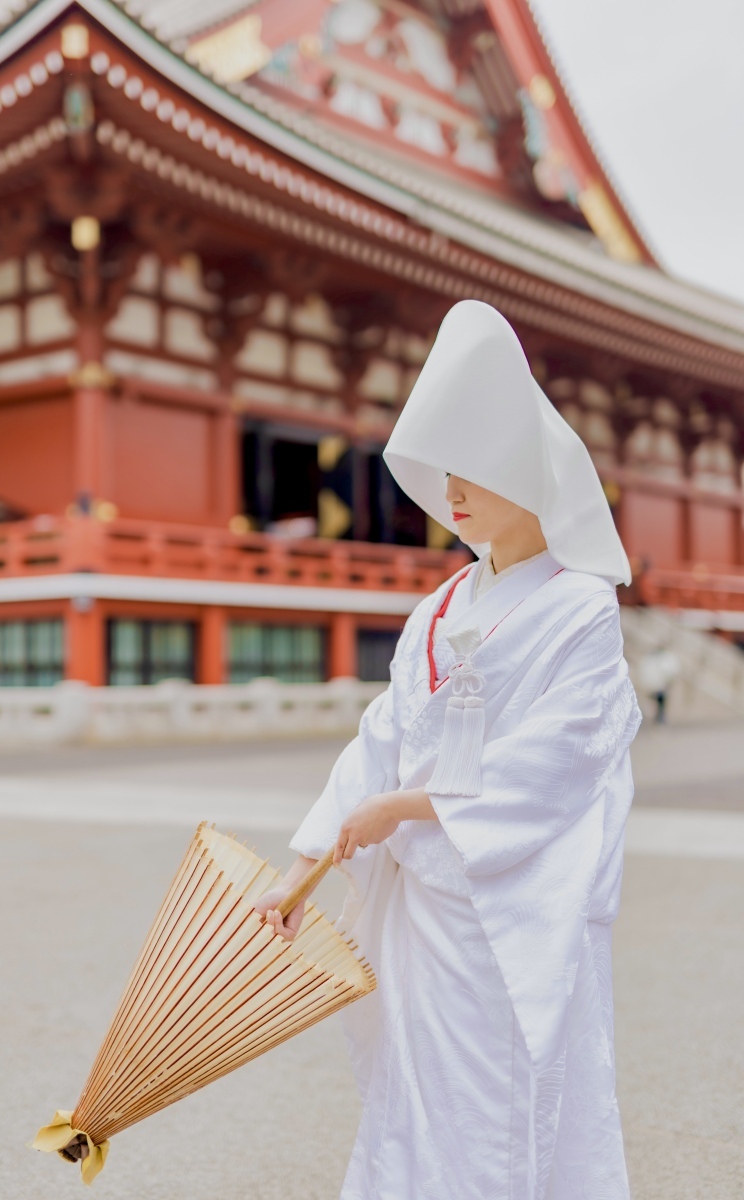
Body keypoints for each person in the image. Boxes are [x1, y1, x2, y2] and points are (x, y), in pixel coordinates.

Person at [254, 301, 642, 1200]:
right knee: (415, 1094)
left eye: (474, 473)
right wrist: (300, 874)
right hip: (423, 905)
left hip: (510, 900)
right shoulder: (439, 607)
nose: (453, 494)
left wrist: (403, 808)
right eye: (448, 475)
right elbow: (381, 741)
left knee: (504, 1093)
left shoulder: (582, 607)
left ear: (530, 476)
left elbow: (559, 761)